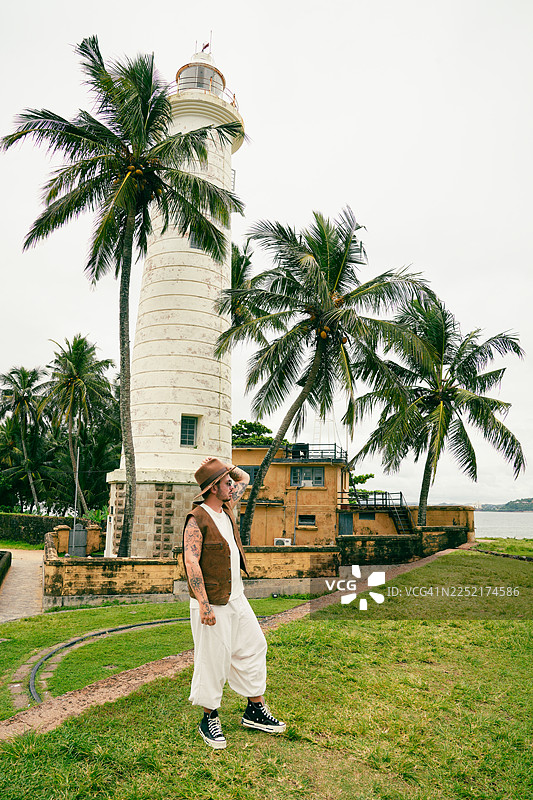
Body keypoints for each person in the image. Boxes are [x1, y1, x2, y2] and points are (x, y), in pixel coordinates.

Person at [182, 456, 286, 749]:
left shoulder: (226, 509)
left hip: (236, 598)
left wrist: (223, 465)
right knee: (213, 659)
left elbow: (244, 479)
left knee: (254, 646)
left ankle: (255, 709)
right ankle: (209, 718)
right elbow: (191, 561)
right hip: (212, 602)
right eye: (225, 483)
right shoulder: (197, 518)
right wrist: (203, 604)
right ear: (214, 488)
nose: (232, 486)